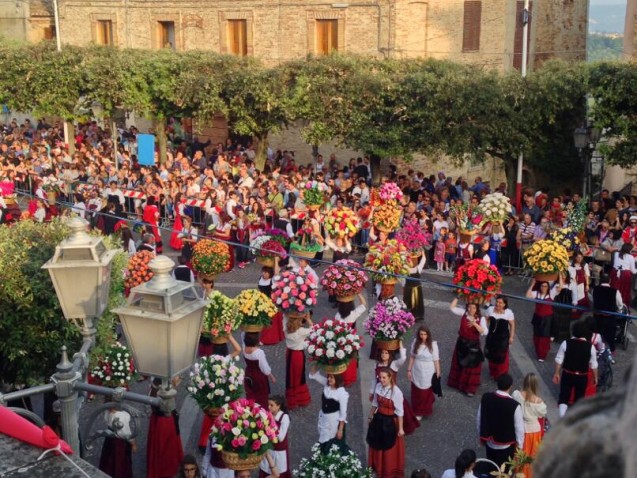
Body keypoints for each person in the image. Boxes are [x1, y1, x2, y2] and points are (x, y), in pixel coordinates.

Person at [370, 344, 420, 434]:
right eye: (382, 353)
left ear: (390, 354)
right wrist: (371, 391)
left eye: (386, 353)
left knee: (398, 412)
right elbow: (374, 379)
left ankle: (399, 429)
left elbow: (403, 358)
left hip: (391, 393)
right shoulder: (377, 364)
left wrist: (400, 345)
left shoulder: (394, 364)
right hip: (380, 391)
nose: (384, 355)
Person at [477, 374, 524, 468]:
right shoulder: (514, 405)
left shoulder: (486, 398)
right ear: (510, 386)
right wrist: (520, 447)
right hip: (506, 446)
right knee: (504, 472)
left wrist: (481, 435)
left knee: (490, 467)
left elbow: (479, 418)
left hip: (490, 442)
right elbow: (519, 428)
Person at [553, 320, 598, 417]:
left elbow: (559, 359)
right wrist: (595, 377)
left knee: (564, 396)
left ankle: (562, 416)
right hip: (582, 377)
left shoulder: (566, 343)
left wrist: (556, 373)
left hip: (567, 373)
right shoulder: (591, 347)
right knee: (579, 398)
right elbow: (593, 365)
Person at [367, 367, 405, 478]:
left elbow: (400, 412)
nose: (381, 380)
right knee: (376, 444)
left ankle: (387, 470)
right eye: (380, 377)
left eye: (384, 378)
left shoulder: (396, 392)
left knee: (388, 447)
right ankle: (377, 467)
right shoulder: (378, 387)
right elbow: (375, 404)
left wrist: (401, 428)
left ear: (390, 378)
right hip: (379, 419)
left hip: (390, 422)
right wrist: (370, 417)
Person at [447, 298, 487, 397]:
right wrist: (458, 296)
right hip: (462, 343)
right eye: (469, 307)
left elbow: (484, 332)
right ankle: (456, 383)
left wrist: (475, 324)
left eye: (473, 308)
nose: (471, 309)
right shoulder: (464, 313)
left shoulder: (481, 319)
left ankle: (469, 388)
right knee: (459, 364)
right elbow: (452, 308)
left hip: (473, 345)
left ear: (477, 309)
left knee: (471, 367)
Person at [147, 377, 184, 478]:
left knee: (159, 446)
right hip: (164, 422)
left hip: (158, 419)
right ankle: (166, 470)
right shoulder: (162, 391)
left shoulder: (154, 386)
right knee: (166, 447)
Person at [512, 373, 547, 478]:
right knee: (531, 455)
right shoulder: (539, 402)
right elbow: (542, 414)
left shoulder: (517, 394)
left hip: (520, 427)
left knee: (519, 453)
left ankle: (518, 473)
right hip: (533, 431)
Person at [308, 366, 349, 453]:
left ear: (337, 379)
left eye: (332, 377)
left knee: (331, 441)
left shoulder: (341, 393)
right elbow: (313, 374)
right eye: (329, 377)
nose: (329, 379)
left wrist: (340, 430)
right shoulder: (327, 385)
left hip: (333, 420)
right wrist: (318, 362)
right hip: (323, 418)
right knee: (323, 438)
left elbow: (343, 414)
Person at [407, 326, 441, 419]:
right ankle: (418, 410)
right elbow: (412, 357)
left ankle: (424, 409)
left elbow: (436, 359)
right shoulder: (415, 343)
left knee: (425, 390)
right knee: (417, 390)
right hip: (417, 370)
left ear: (428, 335)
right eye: (421, 334)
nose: (423, 336)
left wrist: (438, 371)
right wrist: (409, 370)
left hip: (428, 371)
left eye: (425, 334)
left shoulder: (433, 345)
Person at [526, 278, 562, 362]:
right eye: (542, 286)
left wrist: (560, 275)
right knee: (537, 336)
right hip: (537, 317)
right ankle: (538, 352)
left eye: (546, 286)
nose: (544, 288)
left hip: (547, 319)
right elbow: (527, 295)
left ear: (548, 287)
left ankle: (542, 355)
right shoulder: (536, 294)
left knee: (544, 337)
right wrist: (532, 284)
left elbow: (560, 287)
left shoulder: (551, 294)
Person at [283, 310, 312, 409]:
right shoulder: (301, 331)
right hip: (298, 355)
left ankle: (291, 399)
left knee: (291, 376)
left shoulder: (286, 328)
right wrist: (308, 319)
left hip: (289, 353)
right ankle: (299, 398)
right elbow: (315, 329)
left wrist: (289, 313)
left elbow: (284, 316)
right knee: (299, 376)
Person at [98, 404, 137, 478]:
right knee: (119, 463)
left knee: (108, 461)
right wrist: (133, 443)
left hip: (110, 439)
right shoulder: (121, 416)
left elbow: (106, 420)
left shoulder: (108, 411)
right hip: (120, 442)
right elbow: (126, 433)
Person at [591, 273, 624, 360]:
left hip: (597, 318)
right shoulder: (615, 291)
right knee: (610, 336)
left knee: (596, 334)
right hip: (610, 318)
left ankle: (594, 351)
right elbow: (620, 304)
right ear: (610, 281)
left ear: (600, 280)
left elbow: (593, 300)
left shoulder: (595, 289)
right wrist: (619, 312)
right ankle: (611, 353)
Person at [258, 396, 290, 478]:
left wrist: (272, 424)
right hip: (269, 449)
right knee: (266, 470)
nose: (269, 407)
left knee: (279, 472)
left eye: (271, 405)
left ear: (278, 406)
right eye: (268, 405)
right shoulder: (268, 415)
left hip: (279, 451)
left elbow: (281, 437)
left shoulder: (284, 417)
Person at [484, 296, 515, 379]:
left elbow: (512, 325)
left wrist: (511, 337)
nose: (498, 304)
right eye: (497, 302)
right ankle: (493, 372)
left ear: (504, 304)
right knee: (491, 353)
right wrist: (484, 328)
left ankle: (501, 374)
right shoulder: (490, 309)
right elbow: (486, 319)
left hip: (503, 338)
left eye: (500, 303)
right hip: (492, 336)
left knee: (501, 356)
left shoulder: (508, 313)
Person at [243, 332, 276, 408]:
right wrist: (271, 376)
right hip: (258, 376)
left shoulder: (244, 349)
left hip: (248, 373)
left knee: (251, 393)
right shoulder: (259, 353)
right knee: (261, 396)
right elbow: (265, 368)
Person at [259, 263, 285, 346]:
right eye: (263, 272)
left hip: (271, 302)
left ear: (270, 274)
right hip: (263, 301)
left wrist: (276, 260)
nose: (264, 274)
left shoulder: (273, 280)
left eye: (266, 273)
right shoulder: (260, 279)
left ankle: (268, 339)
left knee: (270, 321)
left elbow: (277, 272)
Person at [609, 242, 636, 307]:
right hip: (625, 275)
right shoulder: (631, 257)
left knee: (614, 289)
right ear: (629, 250)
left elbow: (618, 265)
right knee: (623, 291)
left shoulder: (616, 254)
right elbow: (633, 271)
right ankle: (622, 306)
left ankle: (612, 303)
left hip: (615, 273)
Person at [404, 253, 426, 321]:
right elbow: (423, 259)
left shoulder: (406, 268)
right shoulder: (418, 268)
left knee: (408, 302)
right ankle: (417, 315)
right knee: (417, 302)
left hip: (408, 288)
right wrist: (422, 253)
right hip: (417, 288)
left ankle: (408, 315)